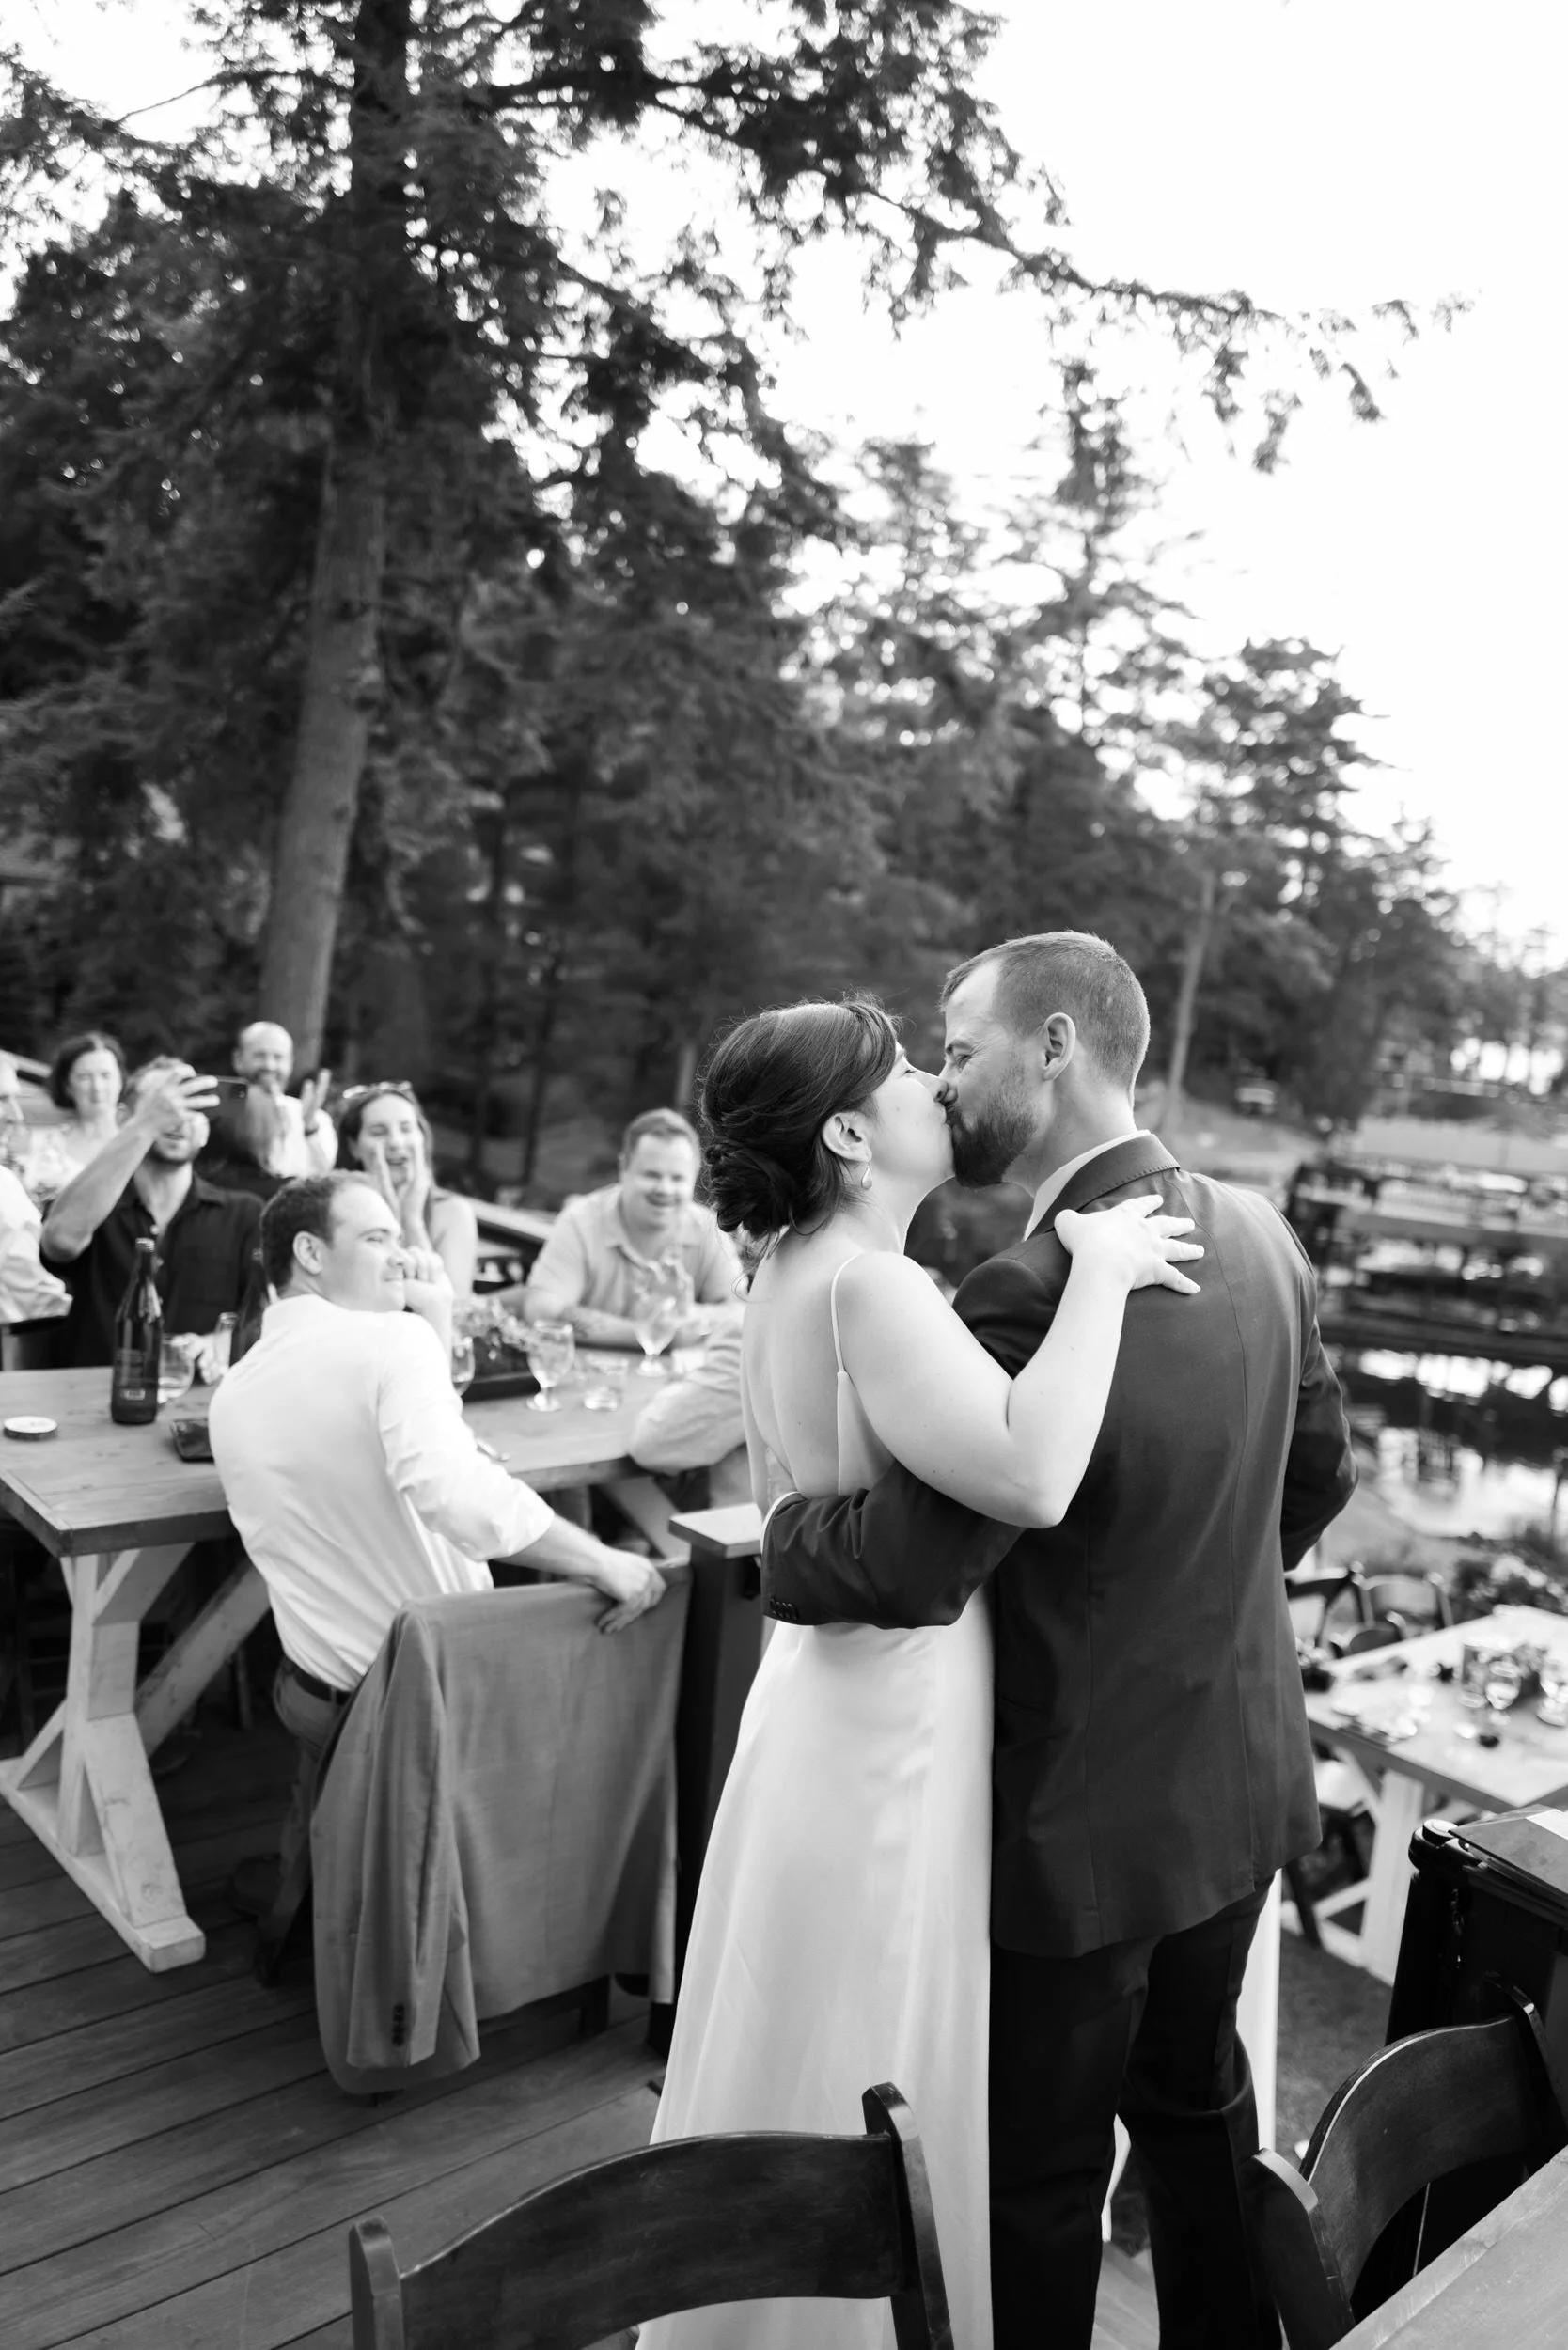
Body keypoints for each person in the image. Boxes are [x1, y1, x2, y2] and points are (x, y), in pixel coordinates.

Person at [763, 933, 1359, 2350]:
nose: (947, 1079)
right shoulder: (1264, 1233)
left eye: (961, 1048)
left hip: (1084, 1827)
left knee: (1040, 2181)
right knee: (1200, 2111)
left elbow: (908, 1565)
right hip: (1238, 1782)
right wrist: (1195, 1596)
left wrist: (775, 1531)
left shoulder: (1022, 1294)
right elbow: (1320, 1473)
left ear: (1055, 1050)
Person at [639, 992, 1204, 2350]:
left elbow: (781, 1488)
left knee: (797, 2009)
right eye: (902, 1072)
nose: (933, 1087)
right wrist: (1105, 1276)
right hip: (890, 1715)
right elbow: (1030, 1471)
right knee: (868, 2025)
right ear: (846, 1129)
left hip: (821, 1697)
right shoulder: (871, 1282)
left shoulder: (796, 1267)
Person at [208, 1171, 666, 1908]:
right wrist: (603, 1558)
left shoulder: (237, 1385)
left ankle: (315, 1895)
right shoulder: (389, 1342)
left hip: (311, 1689)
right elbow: (451, 1492)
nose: (400, 1255)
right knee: (645, 1620)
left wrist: (438, 1319)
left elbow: (420, 1449)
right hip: (418, 1703)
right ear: (310, 1253)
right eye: (377, 1237)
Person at [40, 1059, 262, 1369]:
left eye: (191, 1105)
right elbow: (60, 1241)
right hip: (91, 1398)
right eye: (163, 1102)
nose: (178, 1117)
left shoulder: (244, 1213)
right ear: (124, 1118)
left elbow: (266, 1314)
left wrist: (221, 1341)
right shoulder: (93, 1201)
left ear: (206, 1130)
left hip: (193, 1404)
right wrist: (146, 1126)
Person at [516, 1108, 743, 1348]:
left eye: (677, 1178)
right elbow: (541, 1311)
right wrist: (652, 1334)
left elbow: (740, 1314)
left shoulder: (709, 1230)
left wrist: (688, 1316)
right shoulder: (580, 1222)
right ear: (624, 1168)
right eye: (652, 1175)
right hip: (589, 1379)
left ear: (694, 1178)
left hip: (680, 1381)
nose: (664, 1189)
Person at [337, 1082, 478, 1299]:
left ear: (422, 1138)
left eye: (406, 1129)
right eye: (378, 1132)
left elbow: (453, 1308)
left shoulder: (454, 1213)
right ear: (354, 1146)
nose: (395, 1142)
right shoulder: (339, 1211)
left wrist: (412, 1222)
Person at [628, 1317, 750, 1507]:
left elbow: (652, 1445)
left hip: (751, 1529)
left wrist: (680, 1384)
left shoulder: (755, 1331)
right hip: (792, 1525)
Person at [23, 1030, 127, 1202]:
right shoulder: (44, 1148)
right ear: (67, 1086)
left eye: (106, 1075)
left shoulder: (138, 1141)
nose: (97, 1087)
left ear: (120, 1079)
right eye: (85, 1077)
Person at [231, 1021, 337, 1180]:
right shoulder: (221, 1113)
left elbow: (324, 1177)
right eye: (260, 1056)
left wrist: (309, 1128)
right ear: (238, 1060)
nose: (270, 1065)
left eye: (278, 1057)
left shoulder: (316, 1120)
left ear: (290, 1063)